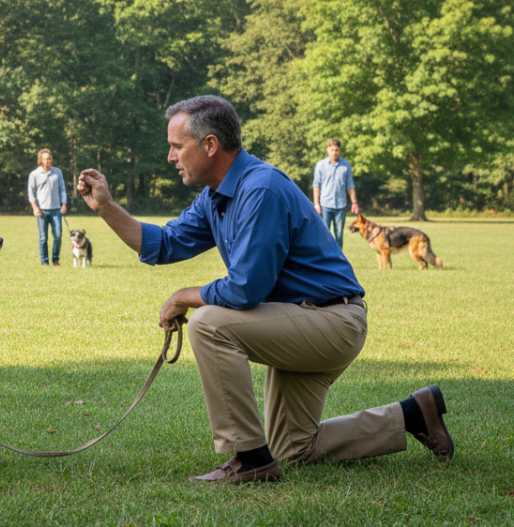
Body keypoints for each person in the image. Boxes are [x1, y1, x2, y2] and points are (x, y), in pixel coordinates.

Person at [77, 96, 453, 484]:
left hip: (332, 320)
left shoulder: (261, 190)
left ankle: (250, 459)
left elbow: (244, 290)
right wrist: (105, 207)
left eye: (176, 146)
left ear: (210, 145)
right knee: (294, 447)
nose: (171, 157)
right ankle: (414, 413)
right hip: (305, 318)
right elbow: (162, 244)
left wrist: (181, 297)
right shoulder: (216, 196)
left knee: (208, 323)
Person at [312, 138, 359, 248]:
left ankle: (338, 263)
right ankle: (325, 261)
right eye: (332, 150)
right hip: (325, 205)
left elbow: (350, 185)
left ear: (340, 151)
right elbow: (316, 185)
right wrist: (316, 203)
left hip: (341, 205)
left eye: (336, 150)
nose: (334, 152)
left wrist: (354, 202)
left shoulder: (345, 165)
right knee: (324, 235)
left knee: (339, 235)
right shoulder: (320, 165)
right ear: (328, 150)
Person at [27, 148, 67, 266]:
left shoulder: (57, 172)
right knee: (43, 238)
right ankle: (45, 262)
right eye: (45, 159)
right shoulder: (34, 174)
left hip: (56, 210)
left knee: (58, 235)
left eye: (49, 158)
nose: (47, 161)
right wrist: (35, 208)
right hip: (42, 210)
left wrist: (63, 204)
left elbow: (62, 189)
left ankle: (55, 260)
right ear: (40, 160)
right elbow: (31, 193)